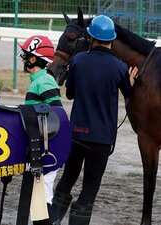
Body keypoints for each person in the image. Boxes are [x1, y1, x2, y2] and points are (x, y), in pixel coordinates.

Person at [51, 15, 138, 225]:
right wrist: (131, 81)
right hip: (102, 139)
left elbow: (70, 93)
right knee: (89, 188)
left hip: (76, 135)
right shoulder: (118, 67)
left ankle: (53, 220)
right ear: (112, 39)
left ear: (90, 37)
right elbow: (128, 93)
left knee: (67, 180)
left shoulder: (78, 61)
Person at [19, 35, 62, 225]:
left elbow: (56, 117)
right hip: (43, 146)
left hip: (48, 148)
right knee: (38, 200)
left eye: (26, 55)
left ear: (33, 58)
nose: (23, 59)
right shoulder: (40, 80)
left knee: (42, 200)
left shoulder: (44, 81)